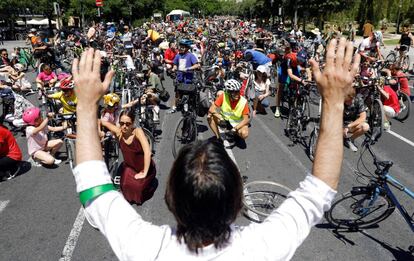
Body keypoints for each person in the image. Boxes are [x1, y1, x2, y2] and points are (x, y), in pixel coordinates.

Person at [70, 38, 359, 260]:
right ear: (236, 202)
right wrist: (333, 101)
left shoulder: (147, 247)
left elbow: (92, 188)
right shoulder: (261, 247)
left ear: (171, 199)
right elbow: (321, 187)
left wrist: (84, 104)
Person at [101, 110, 157, 205]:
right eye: (121, 123)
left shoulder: (138, 132)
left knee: (139, 190)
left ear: (133, 123)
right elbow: (103, 122)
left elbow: (147, 152)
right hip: (130, 167)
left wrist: (144, 173)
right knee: (125, 186)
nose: (124, 126)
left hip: (145, 168)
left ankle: (149, 182)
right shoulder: (119, 134)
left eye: (128, 124)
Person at [274, 45, 311, 118]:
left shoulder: (304, 60)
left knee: (297, 84)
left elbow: (308, 71)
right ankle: (277, 108)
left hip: (294, 68)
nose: (300, 61)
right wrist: (302, 81)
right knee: (281, 87)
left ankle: (294, 104)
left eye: (302, 61)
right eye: (299, 59)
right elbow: (290, 74)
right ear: (297, 56)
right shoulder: (290, 58)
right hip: (284, 69)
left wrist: (309, 79)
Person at [169, 39, 200, 113]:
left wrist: (189, 68)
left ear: (187, 48)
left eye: (183, 47)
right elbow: (175, 64)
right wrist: (174, 69)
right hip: (179, 77)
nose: (180, 48)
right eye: (180, 47)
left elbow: (197, 65)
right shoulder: (178, 55)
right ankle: (174, 107)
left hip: (189, 79)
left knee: (190, 93)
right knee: (177, 93)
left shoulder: (190, 55)